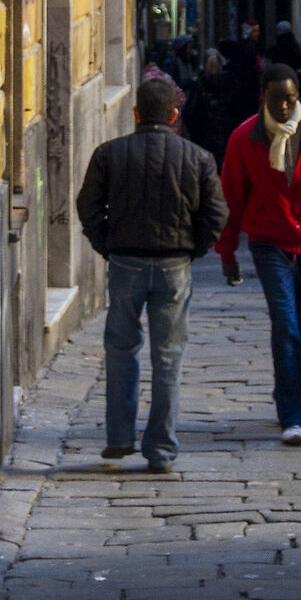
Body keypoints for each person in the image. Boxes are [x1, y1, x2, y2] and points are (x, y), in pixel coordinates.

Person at [75, 76, 227, 472]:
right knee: (168, 357)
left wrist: (105, 245)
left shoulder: (110, 154)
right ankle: (160, 449)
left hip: (125, 261)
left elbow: (87, 206)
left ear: (136, 113)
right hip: (174, 264)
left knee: (121, 350)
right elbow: (216, 215)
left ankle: (119, 439)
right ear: (174, 115)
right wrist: (196, 249)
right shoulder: (198, 158)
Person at [216, 62, 301, 445]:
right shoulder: (246, 138)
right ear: (264, 98)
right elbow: (232, 196)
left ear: (298, 98)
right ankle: (294, 416)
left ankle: (285, 388)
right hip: (268, 241)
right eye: (275, 100)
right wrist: (227, 251)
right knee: (286, 325)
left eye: (289, 99)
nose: (282, 107)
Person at [181, 48, 247, 169]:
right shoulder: (233, 84)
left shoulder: (199, 86)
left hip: (205, 142)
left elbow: (189, 113)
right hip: (228, 139)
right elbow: (241, 110)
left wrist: (197, 135)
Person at [219, 18, 264, 112]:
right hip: (249, 87)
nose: (258, 34)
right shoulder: (247, 49)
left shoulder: (253, 47)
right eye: (255, 31)